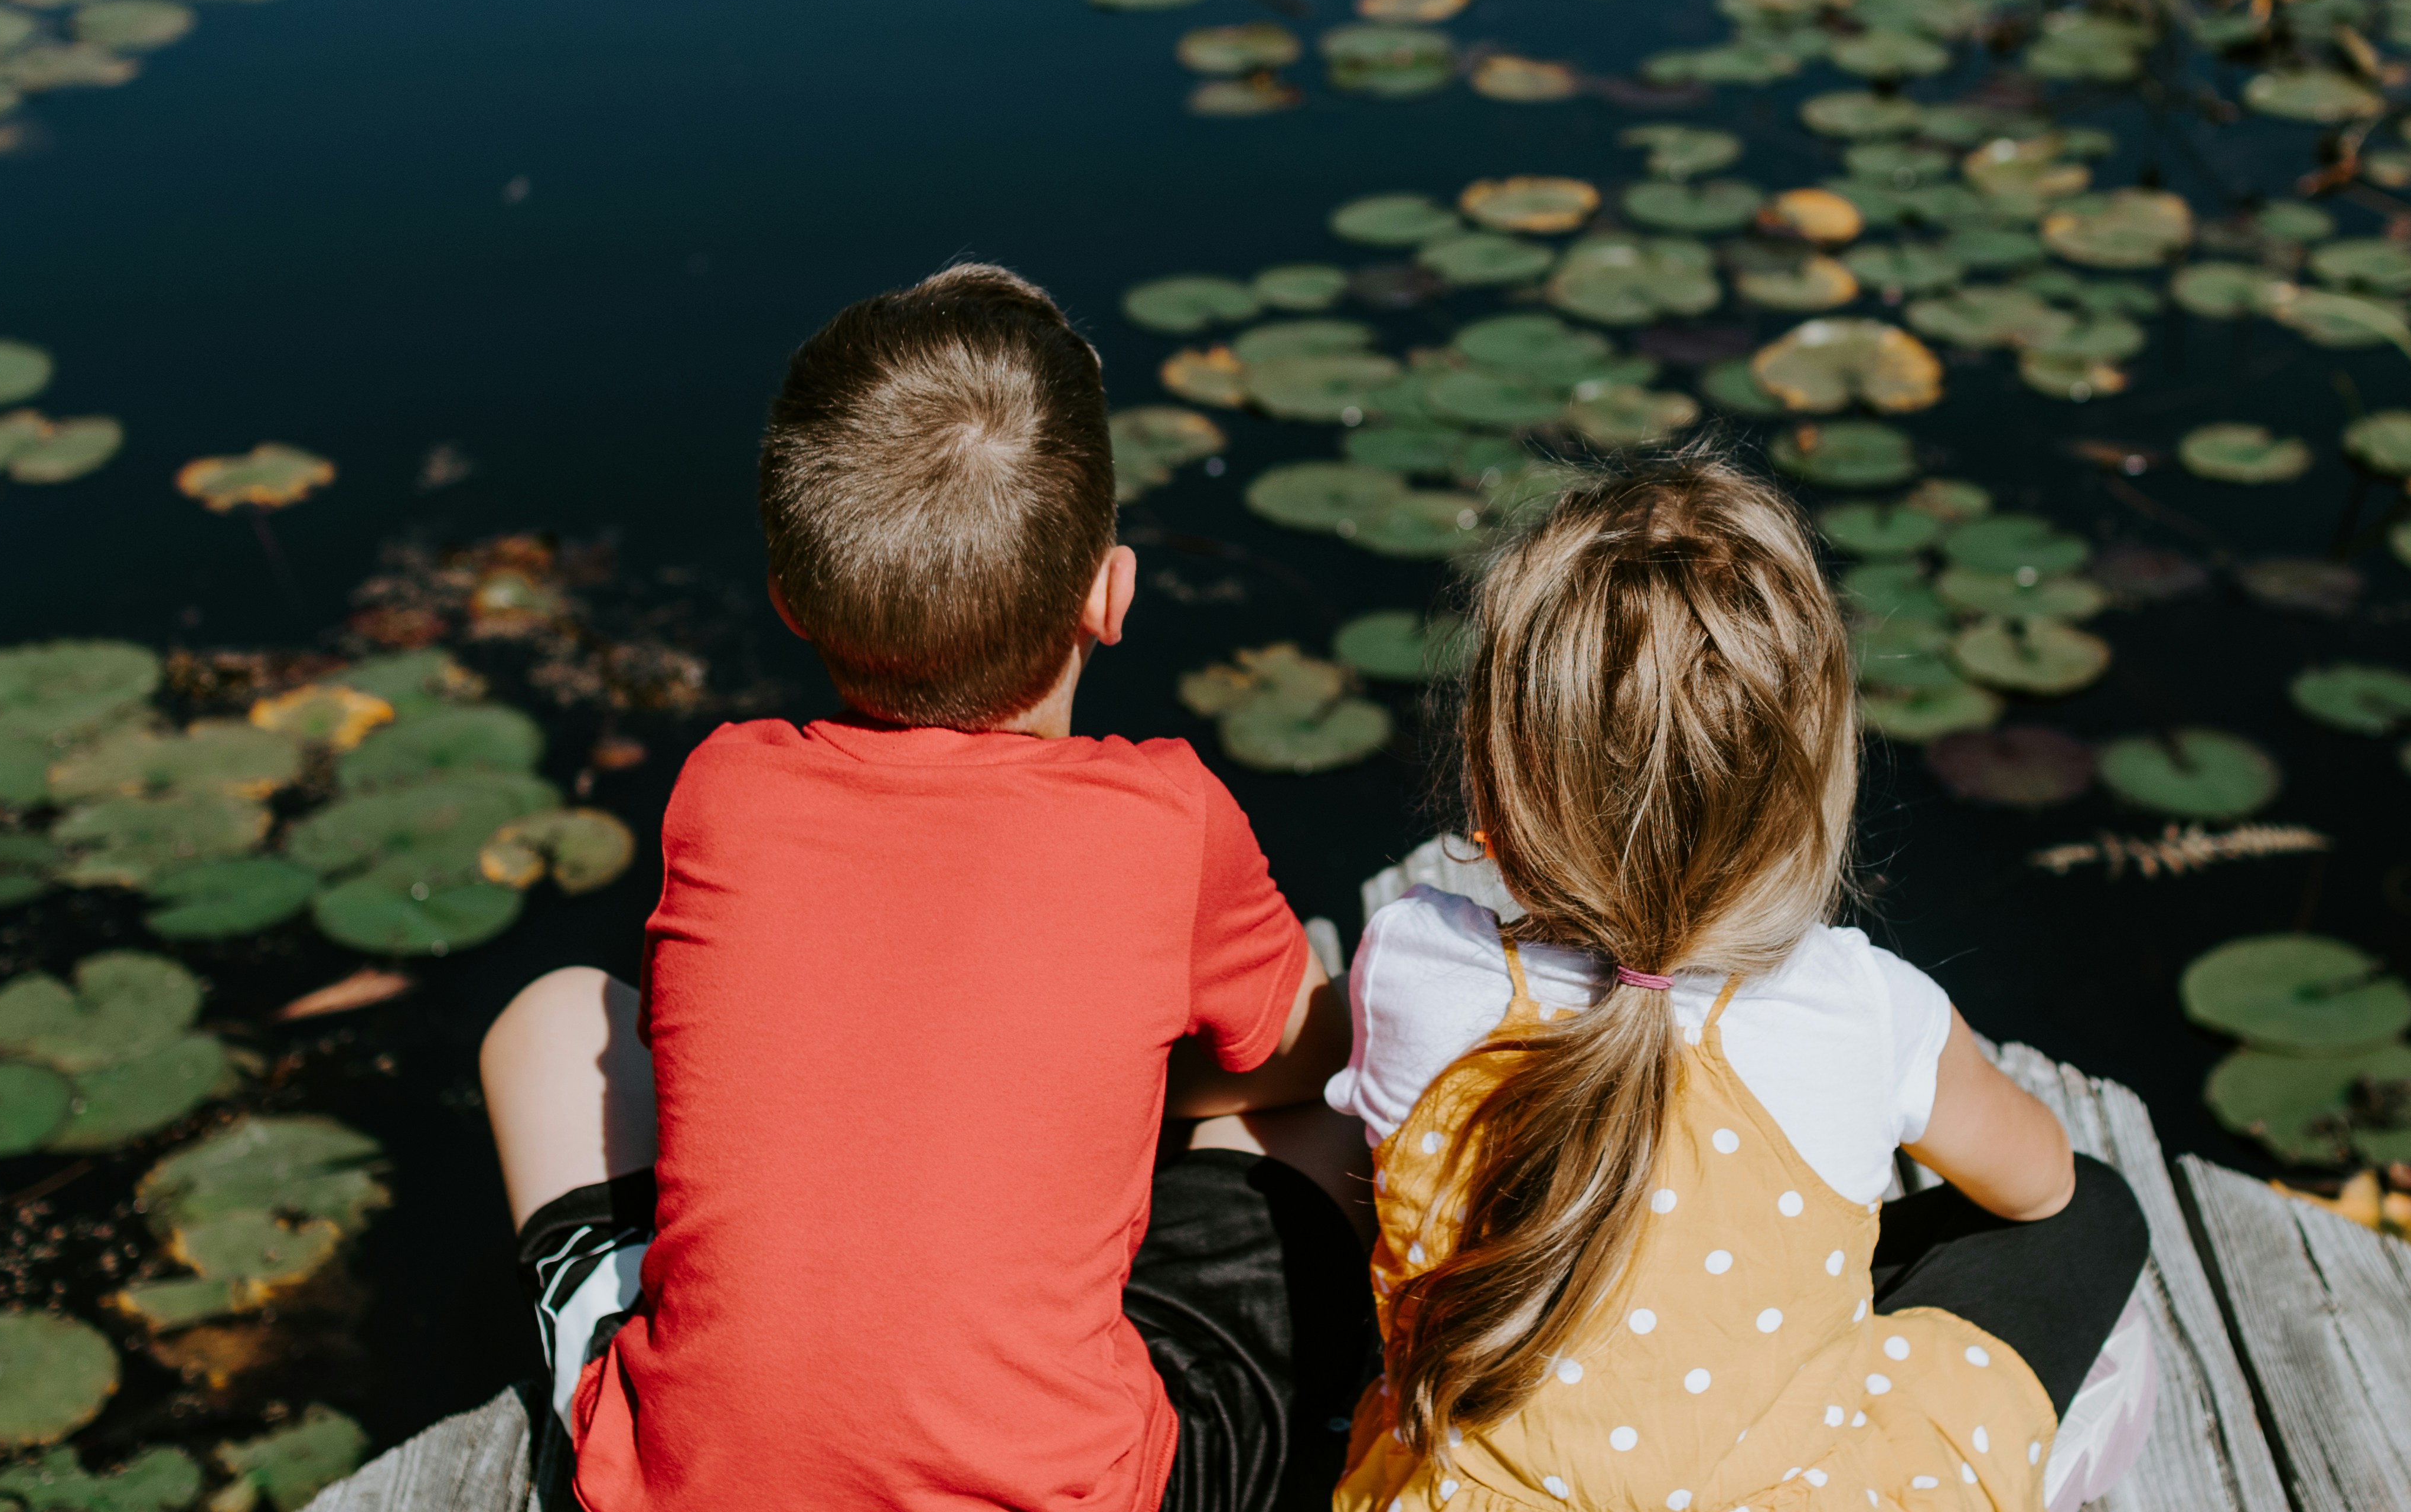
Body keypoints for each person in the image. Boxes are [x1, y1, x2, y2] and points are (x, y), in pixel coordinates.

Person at [479, 263, 1372, 1512]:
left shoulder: (720, 787)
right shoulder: (1169, 816)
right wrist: (1120, 1083)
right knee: (1321, 1125)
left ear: (791, 601)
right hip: (1069, 1496)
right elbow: (1314, 1054)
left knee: (553, 1018)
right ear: (1110, 594)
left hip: (688, 1492)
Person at [1326, 454, 2156, 1512]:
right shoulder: (1866, 1009)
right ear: (1814, 789)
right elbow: (2038, 1186)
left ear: (1497, 774)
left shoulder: (1412, 964)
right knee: (2101, 1214)